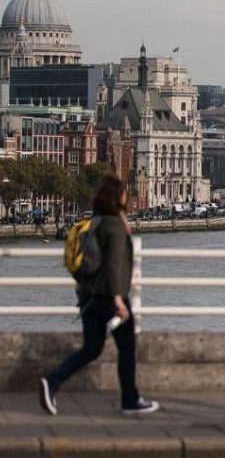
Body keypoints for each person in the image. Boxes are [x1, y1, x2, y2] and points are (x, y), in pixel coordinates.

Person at [39, 176, 160, 416]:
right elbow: (114, 264)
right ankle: (130, 400)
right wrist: (118, 300)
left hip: (87, 296)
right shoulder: (114, 224)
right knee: (127, 348)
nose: (127, 196)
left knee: (91, 349)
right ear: (118, 197)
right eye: (124, 193)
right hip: (109, 297)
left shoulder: (93, 221)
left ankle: (52, 382)